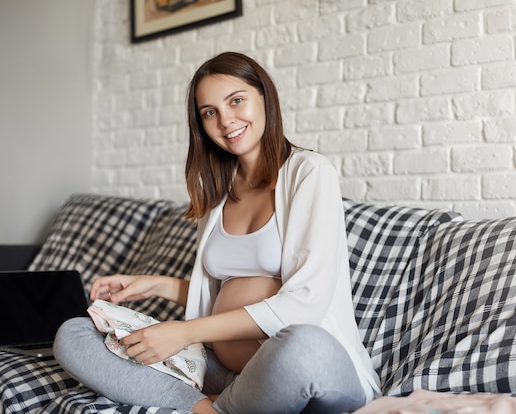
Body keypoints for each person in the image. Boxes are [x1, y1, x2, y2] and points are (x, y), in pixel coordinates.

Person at [53, 51, 381, 414]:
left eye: (236, 101)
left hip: (301, 370)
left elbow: (305, 303)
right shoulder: (218, 192)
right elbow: (223, 298)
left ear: (265, 98)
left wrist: (185, 331)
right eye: (210, 112)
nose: (226, 121)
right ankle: (202, 407)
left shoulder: (309, 173)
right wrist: (156, 285)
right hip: (221, 373)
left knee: (304, 346)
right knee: (74, 334)